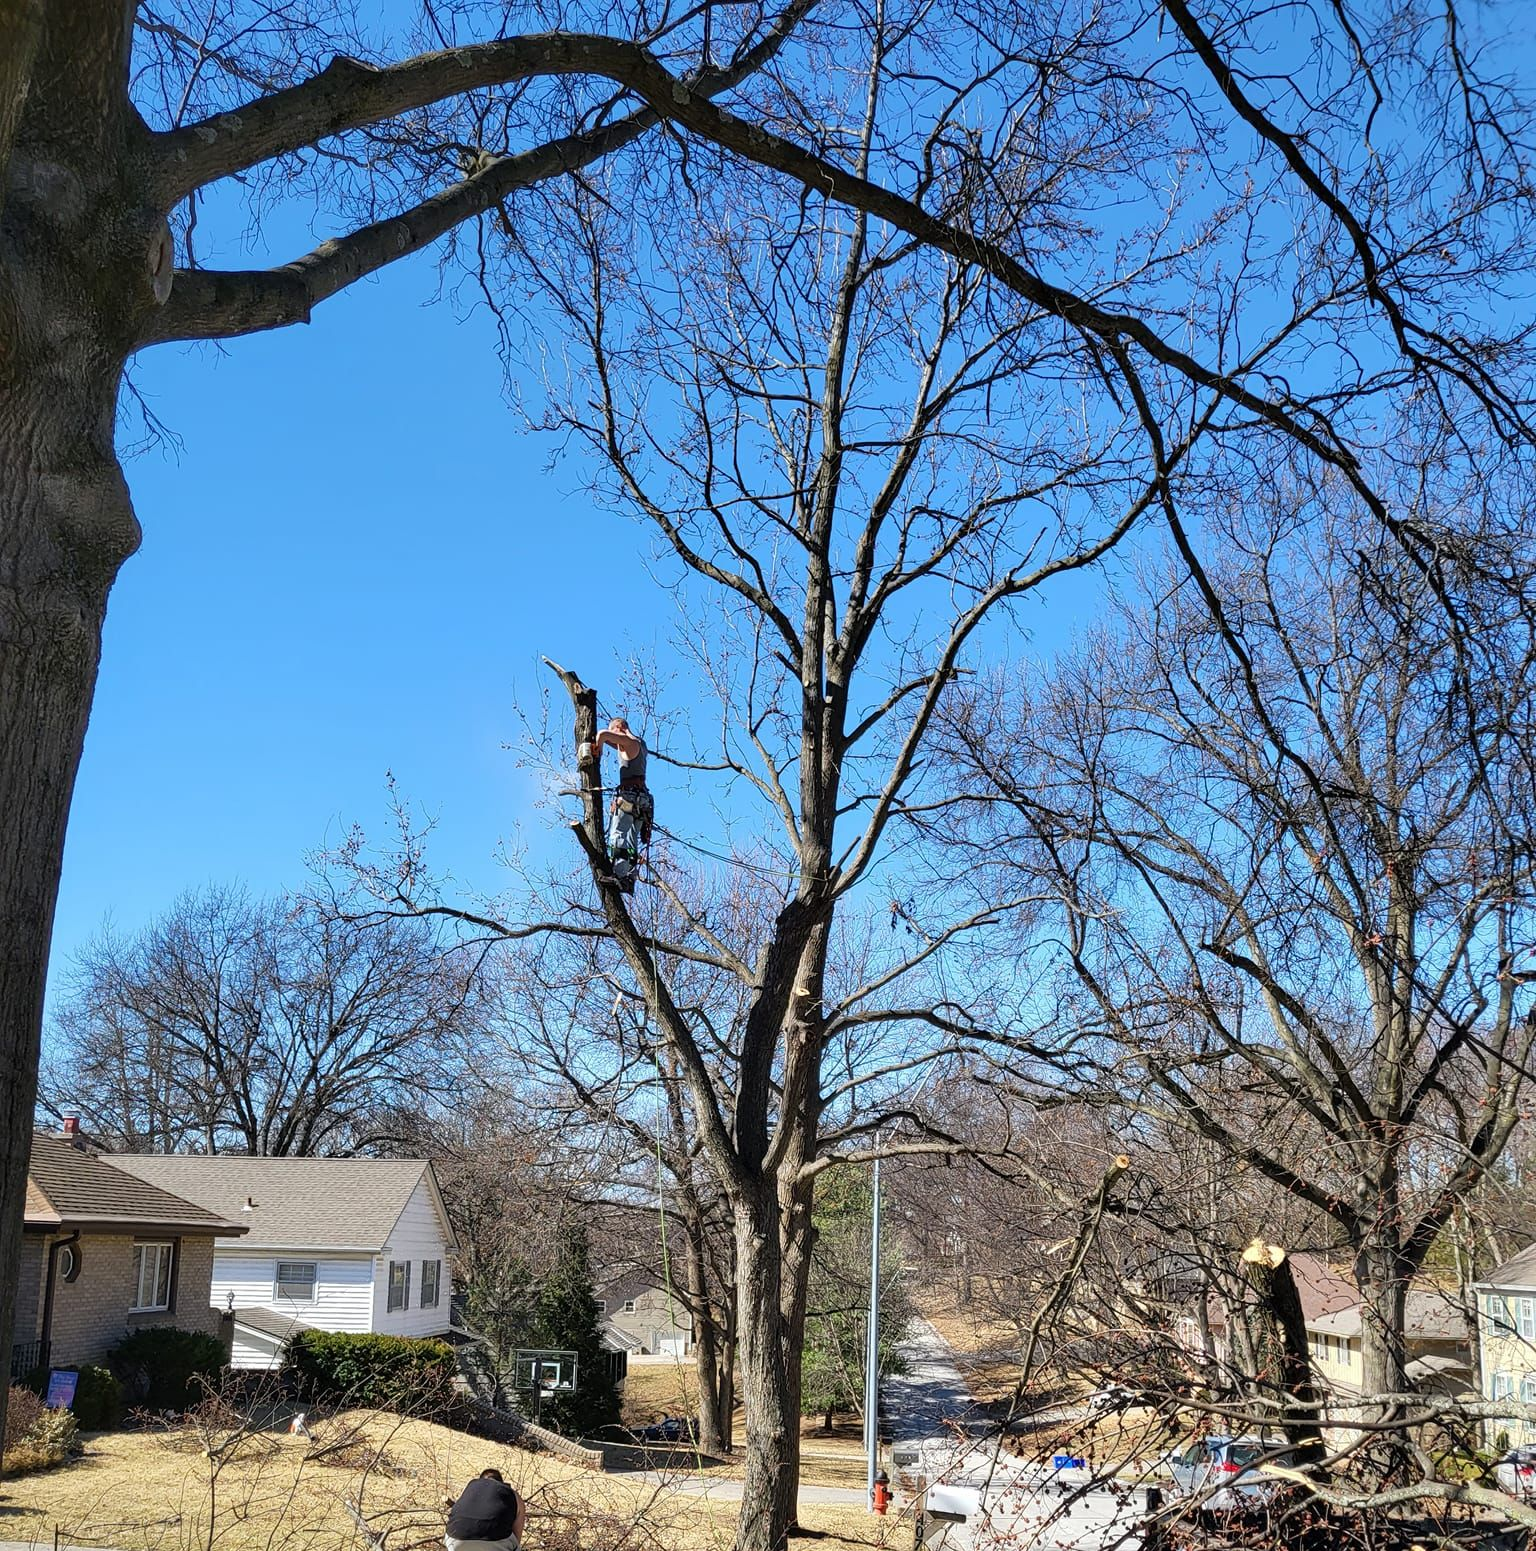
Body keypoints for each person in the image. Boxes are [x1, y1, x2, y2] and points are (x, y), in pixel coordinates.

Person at [591, 716, 652, 892]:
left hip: (629, 798)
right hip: (642, 801)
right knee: (632, 844)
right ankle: (628, 878)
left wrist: (598, 751)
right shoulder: (639, 744)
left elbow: (603, 735)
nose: (613, 735)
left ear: (621, 727)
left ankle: (618, 874)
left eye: (614, 730)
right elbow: (614, 741)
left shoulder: (628, 741)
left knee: (618, 835)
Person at [445, 1467, 526, 1551]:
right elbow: (517, 1538)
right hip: (495, 1541)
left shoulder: (469, 1489)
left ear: (480, 1480)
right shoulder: (511, 1493)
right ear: (501, 1482)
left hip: (455, 1539)